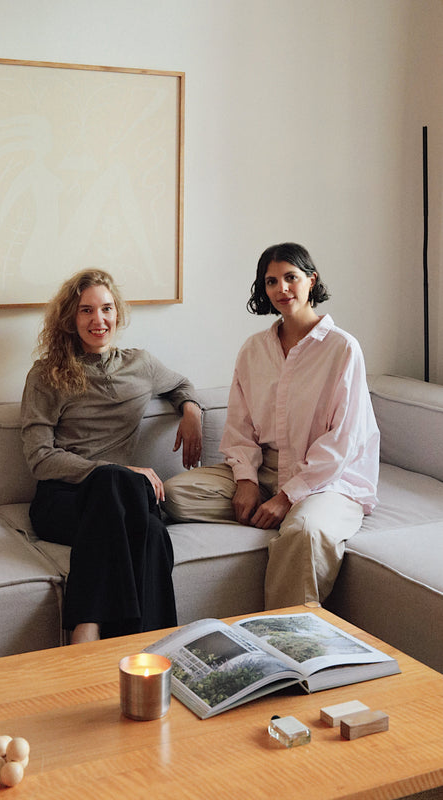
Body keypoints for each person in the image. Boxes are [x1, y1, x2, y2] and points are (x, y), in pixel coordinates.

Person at [163, 243, 379, 610]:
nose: (282, 289)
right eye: (271, 281)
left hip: (328, 480)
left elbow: (343, 441)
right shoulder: (253, 349)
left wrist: (286, 498)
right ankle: (276, 512)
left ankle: (285, 637)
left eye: (291, 278)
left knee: (306, 532)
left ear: (311, 280)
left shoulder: (343, 348)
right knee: (174, 494)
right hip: (266, 470)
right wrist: (246, 481)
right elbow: (240, 425)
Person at [21, 269, 202, 643]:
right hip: (63, 501)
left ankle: (95, 637)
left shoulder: (141, 364)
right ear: (71, 319)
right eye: (86, 310)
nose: (98, 320)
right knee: (125, 496)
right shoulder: (46, 374)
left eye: (106, 309)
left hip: (123, 500)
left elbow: (181, 384)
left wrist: (191, 410)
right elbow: (39, 457)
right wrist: (115, 469)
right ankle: (155, 647)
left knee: (149, 528)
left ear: (117, 312)